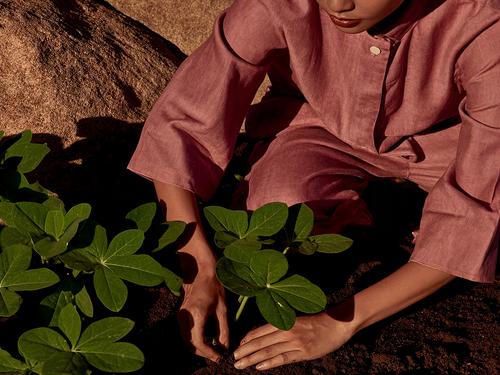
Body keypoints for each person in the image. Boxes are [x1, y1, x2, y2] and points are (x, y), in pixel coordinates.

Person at [128, 0, 500, 371]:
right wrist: (199, 269)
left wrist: (342, 321)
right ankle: (361, 215)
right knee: (278, 211)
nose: (339, 4)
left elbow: (475, 210)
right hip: (324, 127)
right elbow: (185, 121)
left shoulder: (485, 19)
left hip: (450, 146)